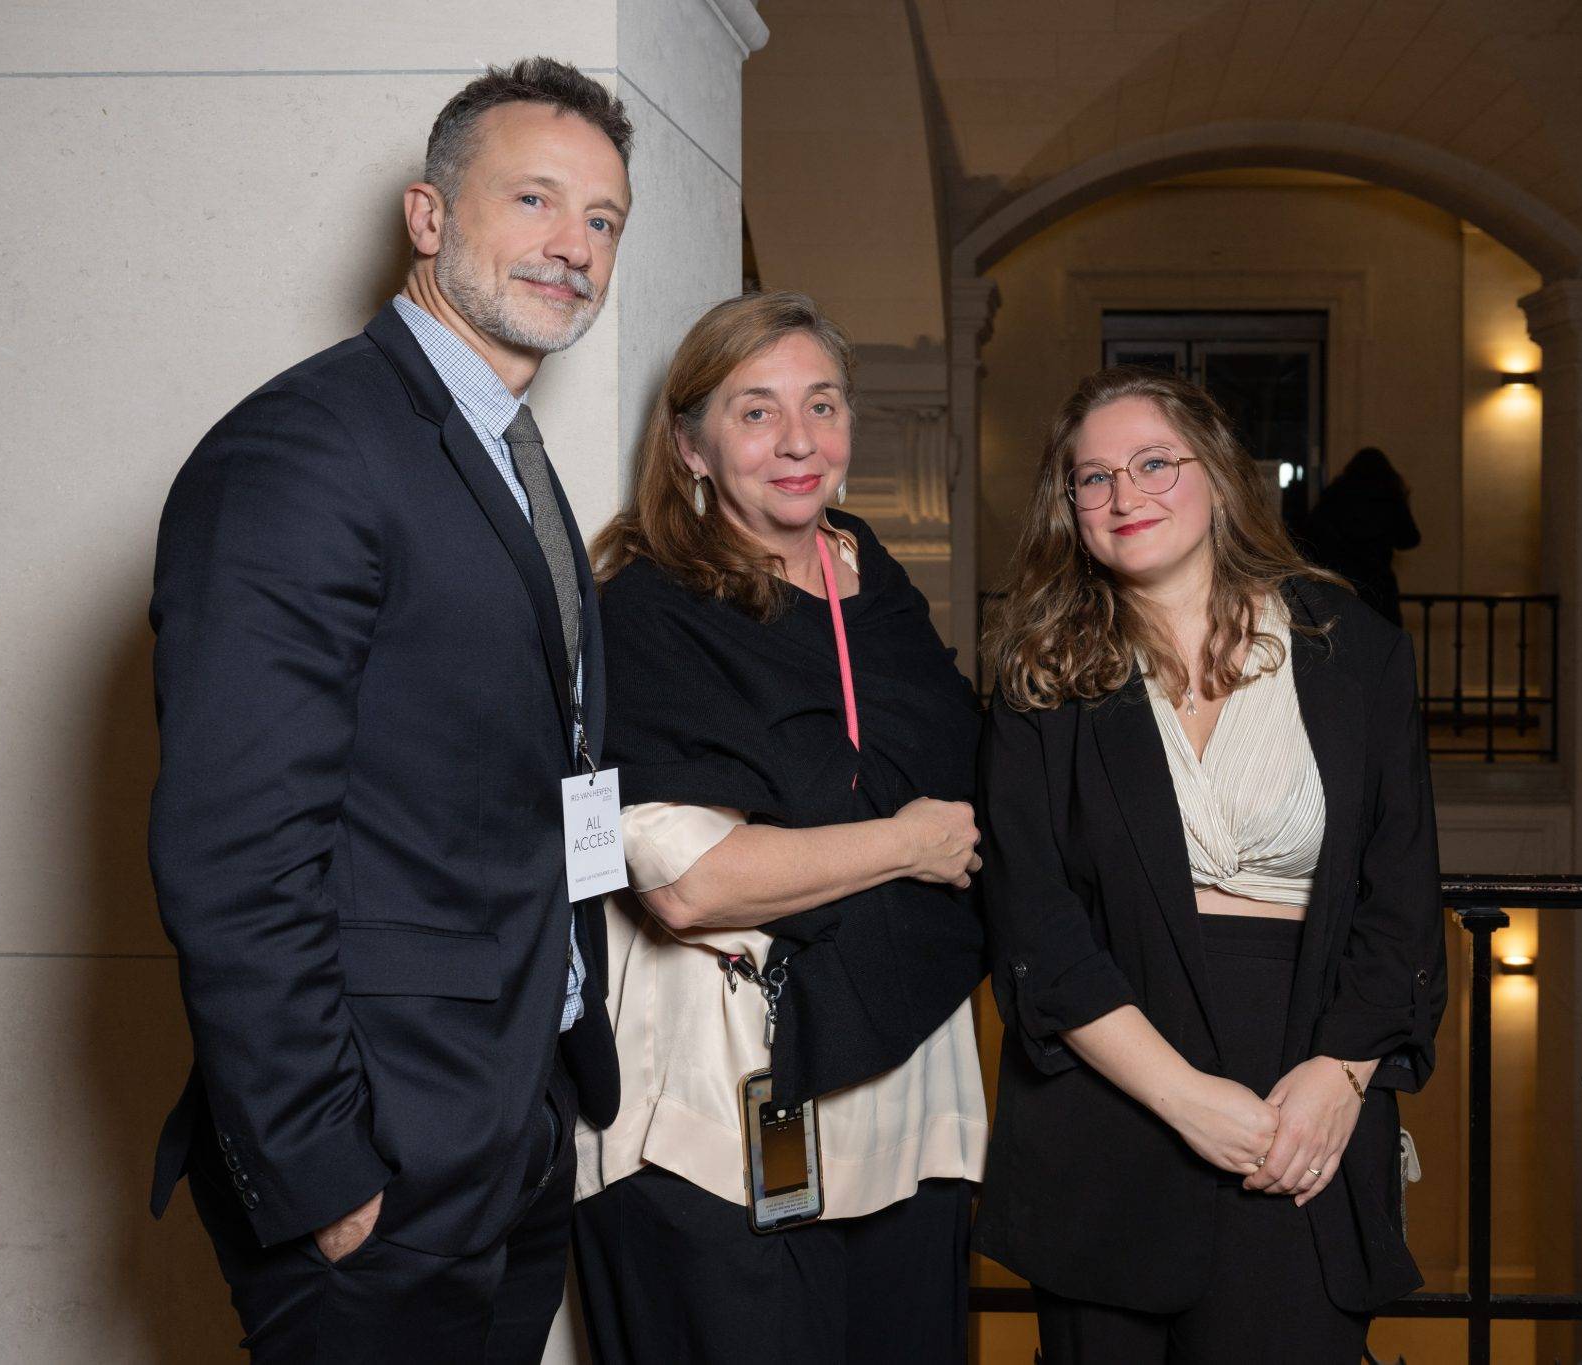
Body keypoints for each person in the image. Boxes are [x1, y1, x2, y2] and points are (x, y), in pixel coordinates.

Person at [146, 59, 632, 1361]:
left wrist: (555, 1090)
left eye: (601, 218)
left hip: (512, 1118)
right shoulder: (306, 450)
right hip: (383, 1159)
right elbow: (233, 849)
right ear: (427, 216)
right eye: (533, 198)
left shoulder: (503, 454)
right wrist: (322, 1170)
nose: (573, 245)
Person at [976, 367, 1446, 1362]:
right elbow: (1036, 927)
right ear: (1069, 508)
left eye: (1154, 464)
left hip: (1300, 1110)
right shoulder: (1039, 672)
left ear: (1220, 476)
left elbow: (1400, 895)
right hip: (1108, 1109)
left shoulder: (1353, 651)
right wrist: (1184, 1098)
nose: (1123, 495)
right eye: (1093, 478)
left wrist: (1341, 1075)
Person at [571, 291, 989, 1364]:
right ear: (690, 445)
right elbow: (690, 884)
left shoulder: (870, 575)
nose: (799, 440)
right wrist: (907, 844)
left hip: (912, 1100)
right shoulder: (647, 612)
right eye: (756, 411)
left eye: (822, 404)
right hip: (715, 1116)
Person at [1305, 445, 1421, 625]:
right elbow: (1409, 539)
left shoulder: (1336, 495)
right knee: (1384, 638)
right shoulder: (1388, 497)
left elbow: (1312, 536)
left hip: (1342, 584)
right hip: (1378, 586)